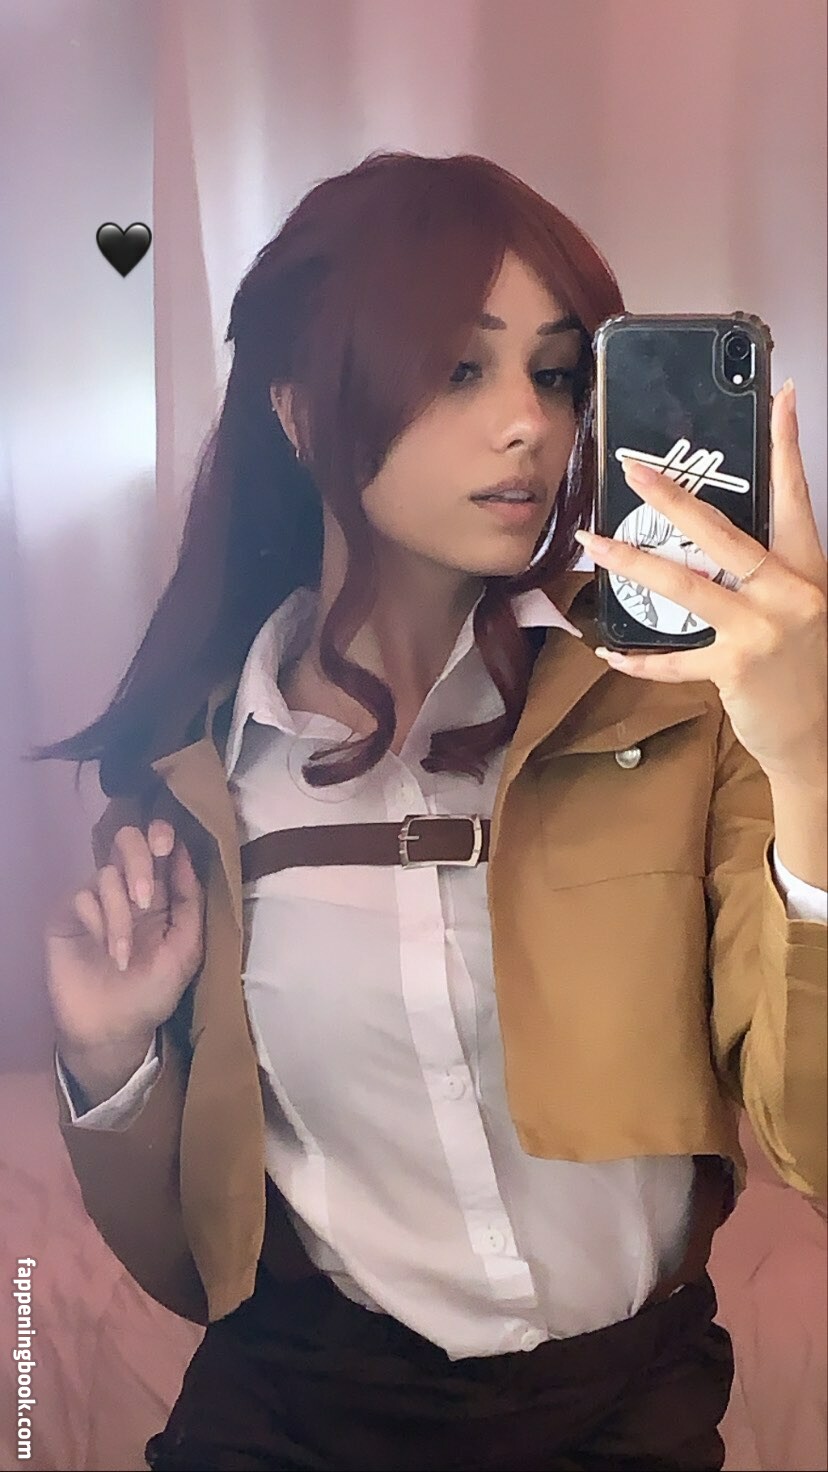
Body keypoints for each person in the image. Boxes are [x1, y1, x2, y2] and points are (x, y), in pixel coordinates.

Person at [32, 150, 827, 1471]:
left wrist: (810, 763)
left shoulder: (682, 710)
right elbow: (190, 1268)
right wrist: (110, 1056)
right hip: (297, 1412)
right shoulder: (193, 779)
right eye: (459, 367)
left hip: (627, 1414)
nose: (529, 424)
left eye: (557, 374)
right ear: (299, 408)